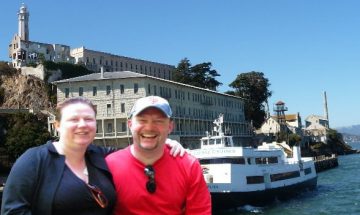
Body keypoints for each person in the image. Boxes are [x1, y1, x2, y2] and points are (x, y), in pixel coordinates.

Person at [1, 97, 185, 215]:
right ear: (57, 125)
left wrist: (164, 143)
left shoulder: (102, 156)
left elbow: (136, 153)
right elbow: (12, 211)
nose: (83, 125)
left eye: (89, 119)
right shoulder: (34, 160)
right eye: (73, 119)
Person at [106, 96, 212, 215]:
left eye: (158, 121)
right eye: (142, 120)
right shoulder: (109, 165)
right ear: (130, 124)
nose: (149, 128)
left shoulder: (189, 166)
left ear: (170, 126)